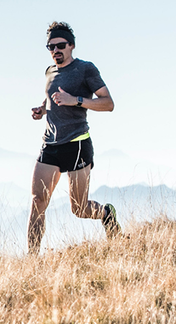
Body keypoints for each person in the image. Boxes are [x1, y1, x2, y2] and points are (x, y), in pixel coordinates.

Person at [28, 21, 120, 254]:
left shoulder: (85, 69)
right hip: (50, 144)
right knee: (38, 201)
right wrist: (42, 109)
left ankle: (106, 214)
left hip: (77, 143)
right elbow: (52, 98)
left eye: (60, 45)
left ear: (71, 45)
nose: (55, 51)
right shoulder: (49, 72)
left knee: (79, 208)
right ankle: (31, 261)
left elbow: (108, 103)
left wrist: (76, 100)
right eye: (50, 47)